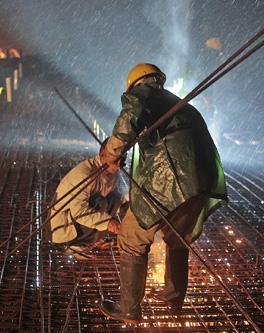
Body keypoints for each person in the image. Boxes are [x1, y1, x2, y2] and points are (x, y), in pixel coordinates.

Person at [99, 63, 227, 324]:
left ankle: (129, 308)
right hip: (200, 182)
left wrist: (112, 153)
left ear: (137, 83)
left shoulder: (144, 94)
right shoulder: (182, 106)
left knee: (132, 237)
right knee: (178, 238)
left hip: (167, 183)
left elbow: (129, 116)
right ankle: (173, 296)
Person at [50, 139, 124, 254]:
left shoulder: (113, 172)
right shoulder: (85, 174)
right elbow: (79, 212)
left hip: (77, 221)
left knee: (115, 199)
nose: (118, 166)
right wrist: (107, 222)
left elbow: (119, 199)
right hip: (64, 230)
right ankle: (77, 244)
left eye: (122, 161)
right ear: (102, 154)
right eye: (115, 161)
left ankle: (92, 239)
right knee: (101, 202)